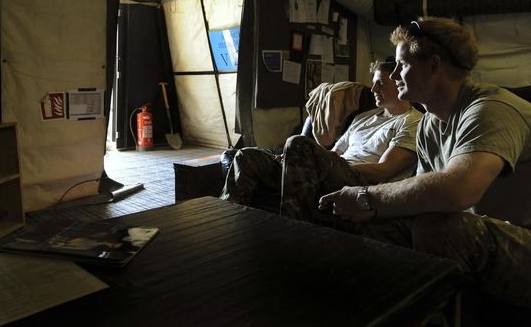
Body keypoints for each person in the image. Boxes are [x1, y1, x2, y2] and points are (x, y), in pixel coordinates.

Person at [319, 17, 531, 307]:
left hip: (521, 241)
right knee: (370, 223)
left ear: (433, 66)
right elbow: (419, 196)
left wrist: (366, 198)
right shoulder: (430, 124)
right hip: (483, 235)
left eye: (402, 65)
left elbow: (458, 190)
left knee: (438, 229)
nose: (394, 76)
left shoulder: (491, 110)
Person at [222, 58, 423, 222]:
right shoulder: (365, 117)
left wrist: (318, 162)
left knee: (298, 142)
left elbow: (385, 170)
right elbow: (334, 151)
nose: (373, 89)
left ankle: (294, 227)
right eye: (374, 83)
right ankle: (228, 221)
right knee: (246, 156)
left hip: (358, 180)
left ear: (400, 84)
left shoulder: (412, 122)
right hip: (331, 170)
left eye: (380, 83)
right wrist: (298, 160)